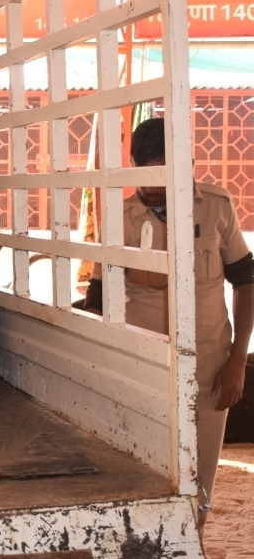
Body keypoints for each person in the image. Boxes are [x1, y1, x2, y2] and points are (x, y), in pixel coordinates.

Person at [83, 117, 254, 535]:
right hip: (142, 366)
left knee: (200, 477)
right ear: (134, 167)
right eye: (148, 173)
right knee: (142, 470)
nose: (156, 185)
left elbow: (246, 281)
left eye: (165, 171)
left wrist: (237, 362)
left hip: (209, 366)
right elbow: (97, 298)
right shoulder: (120, 217)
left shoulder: (216, 206)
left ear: (186, 163)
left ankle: (195, 543)